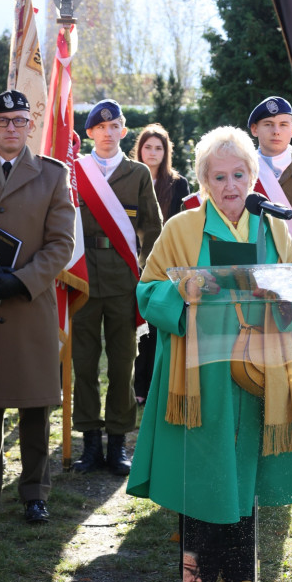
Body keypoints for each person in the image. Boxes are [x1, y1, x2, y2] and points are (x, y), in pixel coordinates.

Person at [127, 126, 292, 582]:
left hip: (259, 371)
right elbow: (148, 291)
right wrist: (186, 293)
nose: (231, 185)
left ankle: (240, 575)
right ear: (204, 182)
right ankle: (197, 580)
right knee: (203, 473)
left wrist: (283, 297)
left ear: (253, 178)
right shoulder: (182, 228)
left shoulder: (273, 226)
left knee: (244, 472)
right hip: (201, 374)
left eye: (239, 174)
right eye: (219, 176)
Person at [0, 90, 75, 523]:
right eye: (3, 121)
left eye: (19, 120)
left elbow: (61, 245)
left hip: (30, 305)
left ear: (30, 126)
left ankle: (35, 493)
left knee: (35, 406)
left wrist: (19, 279)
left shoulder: (53, 176)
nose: (12, 128)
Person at [71, 99, 163, 476]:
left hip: (125, 279)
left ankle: (119, 441)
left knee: (124, 364)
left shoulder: (138, 172)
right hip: (82, 280)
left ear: (123, 131)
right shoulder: (76, 171)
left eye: (115, 127)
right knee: (85, 363)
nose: (108, 134)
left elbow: (153, 229)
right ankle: (90, 440)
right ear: (90, 133)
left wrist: (148, 275)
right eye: (100, 128)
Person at [248, 95, 292, 399]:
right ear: (254, 129)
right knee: (250, 359)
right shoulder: (241, 171)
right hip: (251, 279)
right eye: (268, 124)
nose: (276, 130)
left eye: (283, 124)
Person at [131, 123, 190, 405]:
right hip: (131, 259)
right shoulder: (127, 178)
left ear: (166, 152)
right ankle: (139, 386)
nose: (152, 152)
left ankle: (158, 383)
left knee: (158, 327)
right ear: (139, 149)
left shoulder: (178, 184)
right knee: (138, 329)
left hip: (166, 263)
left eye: (159, 148)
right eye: (148, 147)